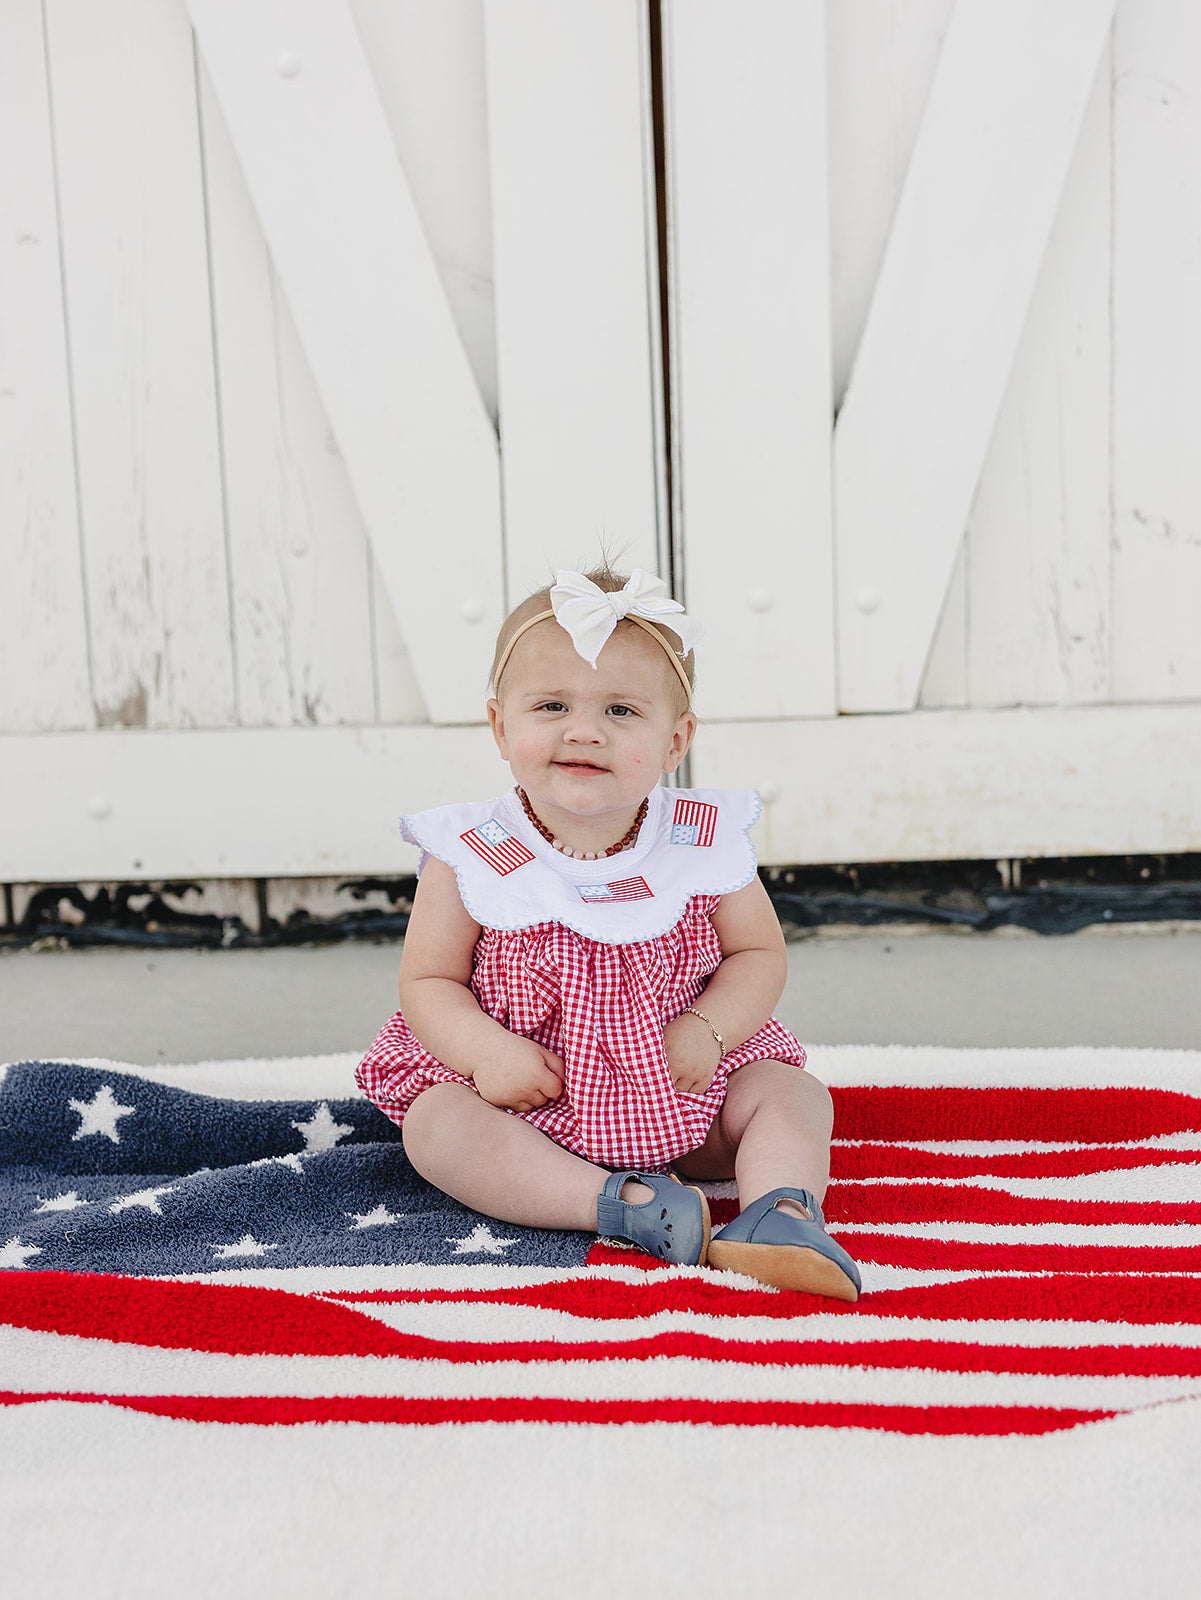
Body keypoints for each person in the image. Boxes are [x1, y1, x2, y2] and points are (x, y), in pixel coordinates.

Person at [357, 565, 860, 1300]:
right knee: (435, 1128)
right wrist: (486, 1053)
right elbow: (428, 979)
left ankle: (779, 1213)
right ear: (500, 726)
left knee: (792, 1094)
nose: (584, 731)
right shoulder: (474, 851)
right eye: (551, 705)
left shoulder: (698, 841)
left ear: (675, 740)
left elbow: (758, 953)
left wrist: (709, 1030)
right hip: (529, 1102)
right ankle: (622, 1205)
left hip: (682, 1088)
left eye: (621, 710)